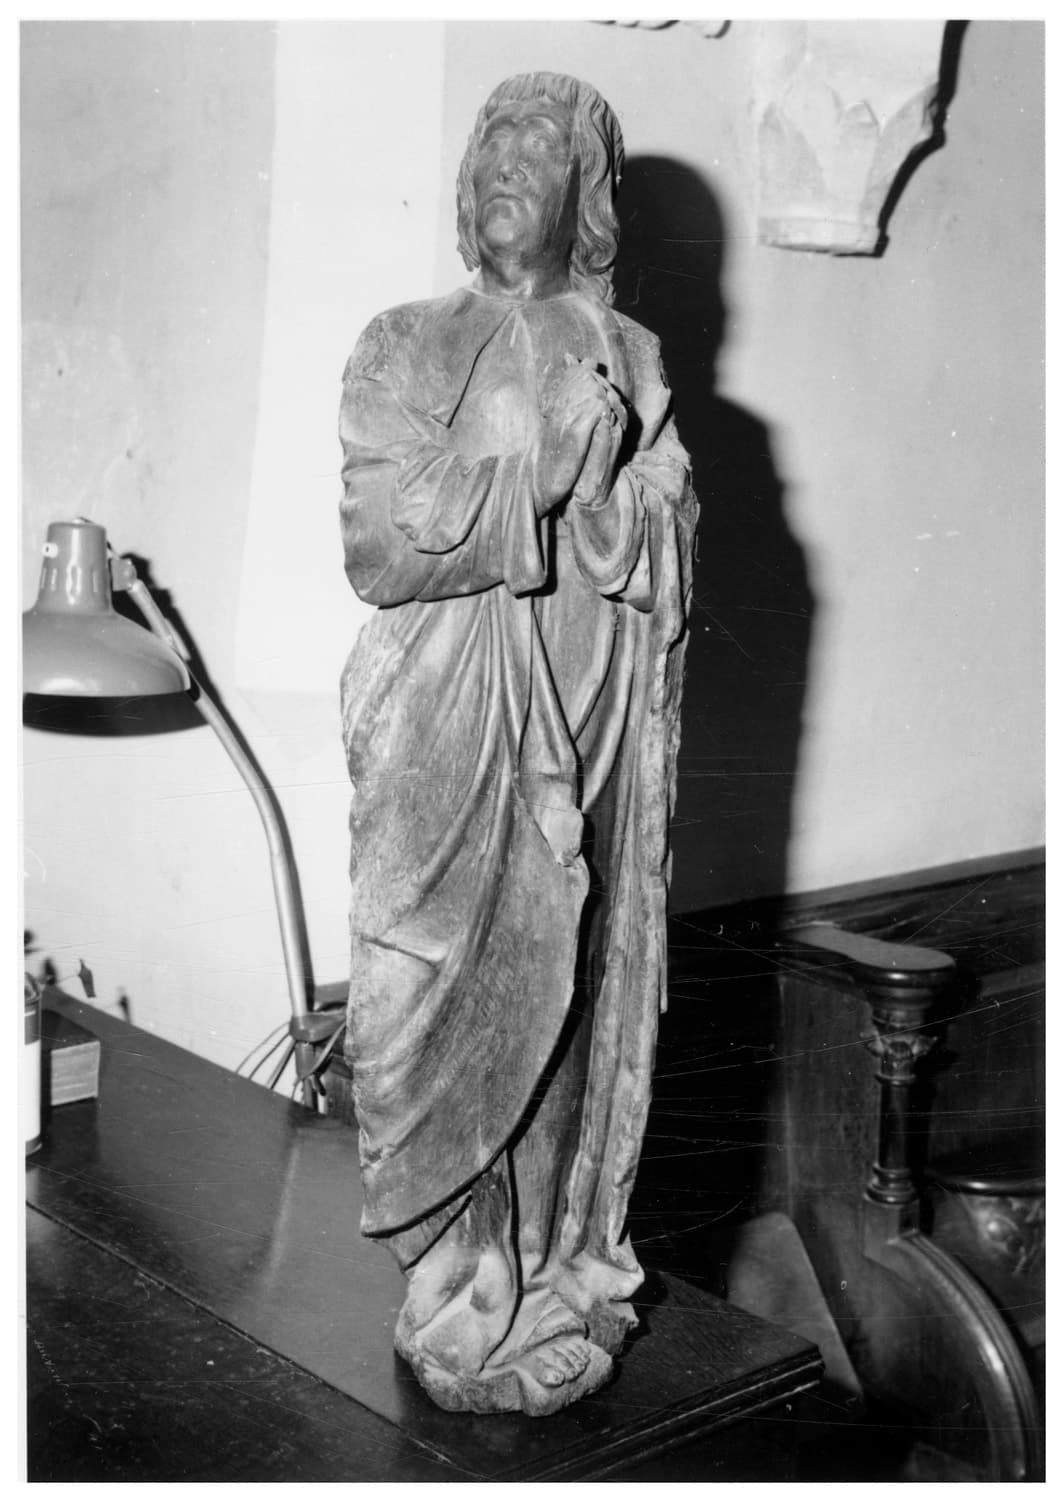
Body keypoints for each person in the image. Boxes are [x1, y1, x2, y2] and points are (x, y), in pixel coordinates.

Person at [338, 71, 697, 1416]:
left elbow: (664, 534)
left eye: (543, 153)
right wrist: (540, 473)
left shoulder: (632, 355)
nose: (509, 165)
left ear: (583, 199)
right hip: (438, 728)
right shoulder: (400, 343)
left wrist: (608, 492)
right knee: (421, 1000)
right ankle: (452, 1288)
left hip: (581, 721)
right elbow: (382, 538)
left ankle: (540, 1274)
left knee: (557, 997)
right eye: (495, 142)